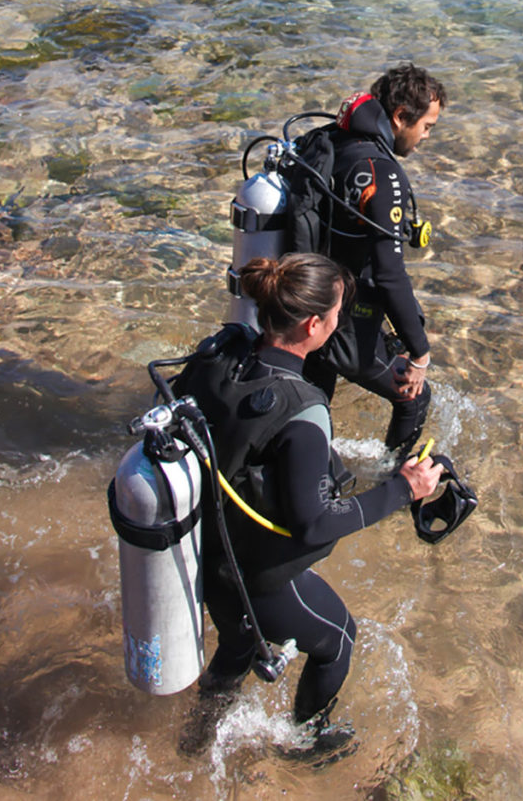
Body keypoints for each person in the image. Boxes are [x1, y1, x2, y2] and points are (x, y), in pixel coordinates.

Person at [181, 252, 444, 755]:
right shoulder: (302, 413)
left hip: (206, 553)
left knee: (238, 645)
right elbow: (315, 526)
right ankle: (304, 743)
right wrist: (403, 489)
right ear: (313, 324)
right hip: (253, 575)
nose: (340, 321)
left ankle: (195, 742)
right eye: (338, 313)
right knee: (338, 637)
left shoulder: (221, 357)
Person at [304, 63, 448, 460]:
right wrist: (420, 354)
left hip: (307, 304)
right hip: (342, 317)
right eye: (427, 126)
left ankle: (310, 465)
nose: (427, 136)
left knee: (313, 397)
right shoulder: (382, 174)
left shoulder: (332, 140)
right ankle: (392, 480)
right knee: (414, 396)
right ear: (401, 117)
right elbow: (389, 275)